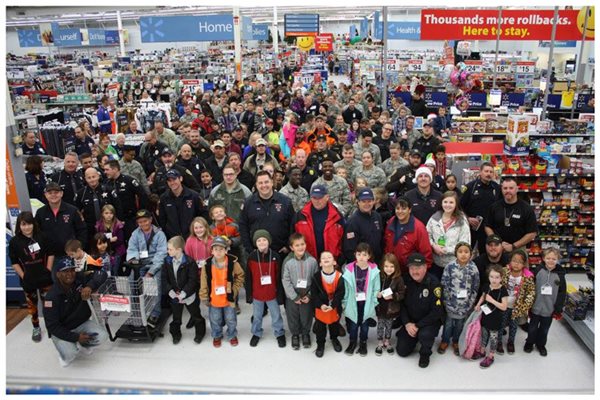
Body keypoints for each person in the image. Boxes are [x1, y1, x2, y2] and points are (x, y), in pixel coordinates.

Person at [43, 256, 108, 367]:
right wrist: (76, 337)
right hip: (62, 329)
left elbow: (102, 274)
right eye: (65, 271)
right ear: (58, 274)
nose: (70, 274)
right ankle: (64, 355)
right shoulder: (51, 297)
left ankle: (84, 345)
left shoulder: (79, 278)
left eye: (72, 270)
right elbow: (52, 327)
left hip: (81, 323)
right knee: (70, 353)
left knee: (102, 336)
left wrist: (89, 286)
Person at [9, 211, 55, 342]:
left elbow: (51, 253)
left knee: (49, 304)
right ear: (19, 225)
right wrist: (23, 276)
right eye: (23, 225)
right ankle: (36, 327)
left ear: (33, 224)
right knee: (32, 306)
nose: (27, 227)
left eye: (29, 224)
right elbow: (14, 262)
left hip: (45, 279)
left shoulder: (42, 237)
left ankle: (51, 326)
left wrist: (48, 269)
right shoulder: (14, 242)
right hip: (28, 281)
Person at [395, 252, 443, 368]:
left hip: (428, 322)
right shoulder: (405, 280)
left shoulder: (434, 284)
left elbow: (436, 312)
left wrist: (417, 325)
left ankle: (425, 353)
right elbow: (401, 305)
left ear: (425, 267)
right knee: (402, 351)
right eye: (412, 268)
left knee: (425, 335)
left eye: (418, 268)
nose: (415, 271)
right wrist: (407, 323)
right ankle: (409, 333)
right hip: (411, 320)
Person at [125, 209, 168, 328]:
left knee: (154, 285)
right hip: (139, 263)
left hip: (155, 264)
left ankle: (155, 313)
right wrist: (133, 260)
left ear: (150, 220)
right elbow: (132, 249)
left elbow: (161, 254)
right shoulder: (135, 233)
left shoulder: (160, 234)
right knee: (131, 282)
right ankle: (136, 311)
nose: (143, 224)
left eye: (145, 221)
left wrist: (151, 272)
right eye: (140, 222)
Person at [200, 236, 245, 348]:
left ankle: (232, 334)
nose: (218, 252)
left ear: (226, 250)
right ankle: (217, 335)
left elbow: (240, 276)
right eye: (216, 249)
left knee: (231, 319)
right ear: (212, 251)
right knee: (215, 319)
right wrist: (204, 296)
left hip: (228, 299)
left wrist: (234, 289)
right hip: (214, 299)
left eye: (221, 249)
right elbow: (204, 282)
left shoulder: (233, 263)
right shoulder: (207, 265)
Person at [245, 230, 286, 348]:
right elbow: (248, 277)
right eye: (258, 240)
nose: (261, 242)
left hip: (272, 293)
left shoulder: (275, 256)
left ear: (269, 241)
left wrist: (279, 294)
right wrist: (249, 294)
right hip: (257, 293)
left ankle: (279, 333)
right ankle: (256, 333)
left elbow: (279, 276)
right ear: (255, 243)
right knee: (257, 315)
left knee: (276, 315)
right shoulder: (252, 257)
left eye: (264, 240)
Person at [162, 236, 206, 345]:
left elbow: (193, 280)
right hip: (174, 295)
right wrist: (170, 291)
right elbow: (164, 278)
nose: (168, 251)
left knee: (196, 315)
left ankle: (200, 333)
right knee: (176, 317)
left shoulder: (190, 262)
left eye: (170, 249)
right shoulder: (167, 261)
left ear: (179, 249)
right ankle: (176, 334)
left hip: (189, 295)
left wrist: (184, 293)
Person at [239, 170, 295, 256]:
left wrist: (288, 246)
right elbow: (243, 226)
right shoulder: (248, 203)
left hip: (280, 252)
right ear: (256, 185)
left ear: (272, 182)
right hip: (257, 254)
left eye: (266, 182)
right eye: (260, 183)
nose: (264, 185)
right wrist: (250, 249)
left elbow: (293, 225)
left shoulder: (285, 202)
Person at [438, 242, 480, 356]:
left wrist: (470, 303)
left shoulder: (473, 269)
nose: (463, 254)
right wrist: (446, 301)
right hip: (451, 303)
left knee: (460, 324)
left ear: (471, 254)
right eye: (460, 251)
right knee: (448, 324)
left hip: (465, 305)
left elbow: (475, 287)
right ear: (456, 253)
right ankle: (445, 340)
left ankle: (456, 341)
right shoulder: (449, 267)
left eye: (466, 252)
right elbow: (444, 284)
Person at [525, 248, 567, 356]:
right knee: (532, 327)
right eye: (548, 258)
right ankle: (529, 342)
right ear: (543, 258)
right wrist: (528, 303)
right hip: (535, 307)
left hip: (549, 309)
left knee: (544, 329)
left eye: (554, 258)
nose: (551, 261)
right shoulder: (538, 271)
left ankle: (541, 345)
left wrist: (558, 308)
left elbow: (562, 293)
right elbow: (530, 287)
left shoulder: (560, 275)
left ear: (558, 259)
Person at [342, 242, 380, 357]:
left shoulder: (374, 270)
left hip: (367, 302)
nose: (361, 257)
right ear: (355, 255)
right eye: (359, 254)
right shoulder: (349, 270)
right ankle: (352, 342)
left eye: (364, 254)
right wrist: (344, 302)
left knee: (364, 324)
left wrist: (374, 302)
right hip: (353, 302)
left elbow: (376, 288)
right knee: (353, 324)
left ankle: (363, 342)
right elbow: (346, 289)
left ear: (369, 256)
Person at [281, 233, 319, 350]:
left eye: (302, 244)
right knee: (293, 315)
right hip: (292, 293)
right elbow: (285, 280)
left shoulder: (312, 261)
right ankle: (295, 334)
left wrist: (310, 295)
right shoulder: (287, 261)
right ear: (292, 248)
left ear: (306, 245)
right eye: (297, 245)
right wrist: (294, 296)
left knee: (306, 314)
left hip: (307, 292)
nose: (300, 247)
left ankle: (306, 333)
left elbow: (316, 280)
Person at [293, 184, 345, 264]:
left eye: (320, 198)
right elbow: (293, 237)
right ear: (310, 198)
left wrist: (339, 260)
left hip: (331, 263)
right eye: (314, 198)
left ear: (327, 197)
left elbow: (343, 240)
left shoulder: (337, 216)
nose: (317, 201)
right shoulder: (301, 215)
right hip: (307, 262)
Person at [497, 249, 535, 355]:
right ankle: (499, 342)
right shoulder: (504, 272)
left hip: (517, 307)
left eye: (519, 262)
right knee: (501, 324)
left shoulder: (527, 277)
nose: (516, 264)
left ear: (524, 264)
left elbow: (531, 293)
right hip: (503, 305)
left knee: (514, 326)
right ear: (510, 261)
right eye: (514, 261)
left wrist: (524, 307)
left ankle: (511, 342)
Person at [485, 177, 538, 254]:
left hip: (519, 249)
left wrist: (513, 246)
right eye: (505, 188)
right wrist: (497, 241)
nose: (508, 191)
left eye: (511, 188)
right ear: (501, 189)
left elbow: (532, 233)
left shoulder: (526, 208)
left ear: (517, 189)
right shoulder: (494, 207)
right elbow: (487, 226)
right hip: (497, 248)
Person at [426, 191, 471, 280]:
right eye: (445, 202)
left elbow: (464, 244)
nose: (448, 205)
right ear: (441, 203)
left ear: (456, 204)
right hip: (436, 264)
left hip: (454, 265)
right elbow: (427, 234)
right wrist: (433, 246)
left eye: (451, 202)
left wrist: (445, 250)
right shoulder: (434, 218)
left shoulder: (462, 221)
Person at [35, 182, 87, 258]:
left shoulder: (73, 210)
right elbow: (37, 233)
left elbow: (82, 230)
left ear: (61, 193)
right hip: (50, 256)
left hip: (71, 255)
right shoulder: (40, 212)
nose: (53, 195)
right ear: (46, 195)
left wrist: (79, 249)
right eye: (50, 193)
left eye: (56, 192)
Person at [471, 264, 508, 369]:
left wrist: (492, 300)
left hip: (496, 318)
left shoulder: (503, 290)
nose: (494, 280)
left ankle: (491, 356)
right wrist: (478, 305)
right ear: (488, 277)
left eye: (497, 277)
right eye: (492, 277)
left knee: (493, 338)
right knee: (484, 334)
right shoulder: (487, 286)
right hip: (485, 316)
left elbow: (504, 307)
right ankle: (482, 351)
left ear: (501, 278)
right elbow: (483, 296)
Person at [460, 162, 501, 254]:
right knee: (466, 252)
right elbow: (459, 206)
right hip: (472, 227)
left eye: (491, 172)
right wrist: (468, 219)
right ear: (480, 172)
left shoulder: (497, 188)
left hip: (489, 228)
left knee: (487, 254)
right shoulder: (470, 187)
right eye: (486, 171)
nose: (488, 174)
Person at [384, 196, 433, 273]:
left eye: (403, 208)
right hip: (392, 269)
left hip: (410, 271)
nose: (400, 211)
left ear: (409, 210)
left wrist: (423, 272)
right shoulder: (391, 222)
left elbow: (426, 252)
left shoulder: (419, 228)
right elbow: (387, 243)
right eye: (397, 208)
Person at [103, 160, 149, 238]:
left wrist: (140, 213)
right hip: (114, 220)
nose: (105, 172)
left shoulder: (128, 180)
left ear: (115, 169)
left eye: (107, 170)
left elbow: (143, 195)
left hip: (130, 219)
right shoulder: (106, 184)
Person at [312, 251, 345, 358]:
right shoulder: (316, 277)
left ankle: (334, 339)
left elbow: (340, 293)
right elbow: (314, 294)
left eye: (329, 257)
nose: (326, 259)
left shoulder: (340, 276)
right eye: (323, 258)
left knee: (334, 325)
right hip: (321, 308)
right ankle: (320, 344)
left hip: (334, 307)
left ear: (334, 262)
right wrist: (320, 305)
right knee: (320, 328)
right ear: (320, 263)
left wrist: (333, 305)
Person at [158, 169, 208, 240]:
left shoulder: (194, 196)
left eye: (174, 179)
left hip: (192, 237)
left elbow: (203, 215)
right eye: (169, 180)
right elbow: (162, 219)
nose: (172, 183)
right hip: (173, 239)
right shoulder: (164, 198)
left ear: (180, 178)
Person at [342, 187, 384, 264]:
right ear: (358, 202)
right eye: (364, 201)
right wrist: (360, 266)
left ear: (373, 201)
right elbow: (349, 249)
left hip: (377, 263)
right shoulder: (352, 222)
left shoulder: (377, 216)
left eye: (369, 201)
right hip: (361, 265)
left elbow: (381, 240)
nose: (367, 204)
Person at [374, 253, 405, 356]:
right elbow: (374, 288)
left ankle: (387, 341)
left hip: (391, 308)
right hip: (380, 308)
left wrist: (393, 296)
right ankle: (379, 342)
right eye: (386, 266)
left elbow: (402, 293)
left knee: (389, 325)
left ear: (396, 267)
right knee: (380, 325)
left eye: (392, 266)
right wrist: (376, 294)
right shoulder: (379, 276)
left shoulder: (398, 279)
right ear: (382, 266)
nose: (389, 269)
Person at [75, 167, 110, 249]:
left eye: (93, 177)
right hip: (90, 227)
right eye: (89, 178)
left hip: (107, 225)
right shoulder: (81, 193)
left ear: (98, 176)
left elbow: (117, 206)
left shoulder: (108, 190)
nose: (92, 180)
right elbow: (77, 210)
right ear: (85, 179)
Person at [94, 204, 126, 271]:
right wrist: (109, 240)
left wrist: (106, 240)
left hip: (117, 250)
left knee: (114, 269)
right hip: (103, 249)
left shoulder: (118, 224)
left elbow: (120, 240)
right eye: (106, 213)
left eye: (111, 213)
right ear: (102, 214)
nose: (109, 215)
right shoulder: (98, 225)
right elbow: (98, 239)